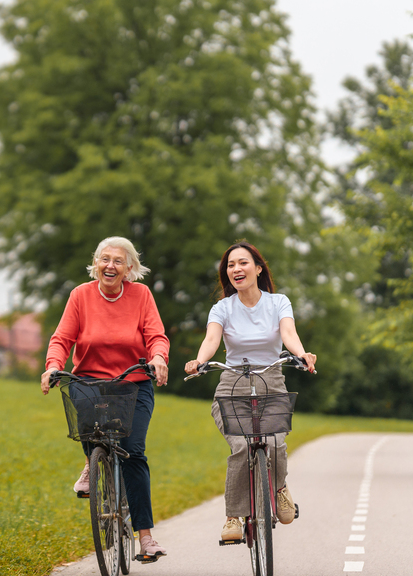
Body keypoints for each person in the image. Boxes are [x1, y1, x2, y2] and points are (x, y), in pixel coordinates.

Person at [40, 236, 171, 563]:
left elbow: (156, 335)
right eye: (105, 259)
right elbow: (62, 338)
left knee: (133, 452)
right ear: (96, 263)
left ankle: (146, 538)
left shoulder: (141, 295)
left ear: (129, 268)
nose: (110, 266)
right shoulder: (80, 295)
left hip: (134, 383)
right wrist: (53, 366)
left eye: (118, 261)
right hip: (89, 382)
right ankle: (92, 461)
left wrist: (158, 358)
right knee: (91, 430)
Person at [183, 241, 317, 543]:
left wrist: (302, 354)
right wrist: (199, 361)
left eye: (242, 263)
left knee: (275, 443)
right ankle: (234, 515)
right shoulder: (222, 308)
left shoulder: (278, 302)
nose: (236, 269)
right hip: (233, 384)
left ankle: (279, 488)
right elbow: (211, 340)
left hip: (272, 381)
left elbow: (288, 333)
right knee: (242, 447)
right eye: (230, 265)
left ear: (258, 269)